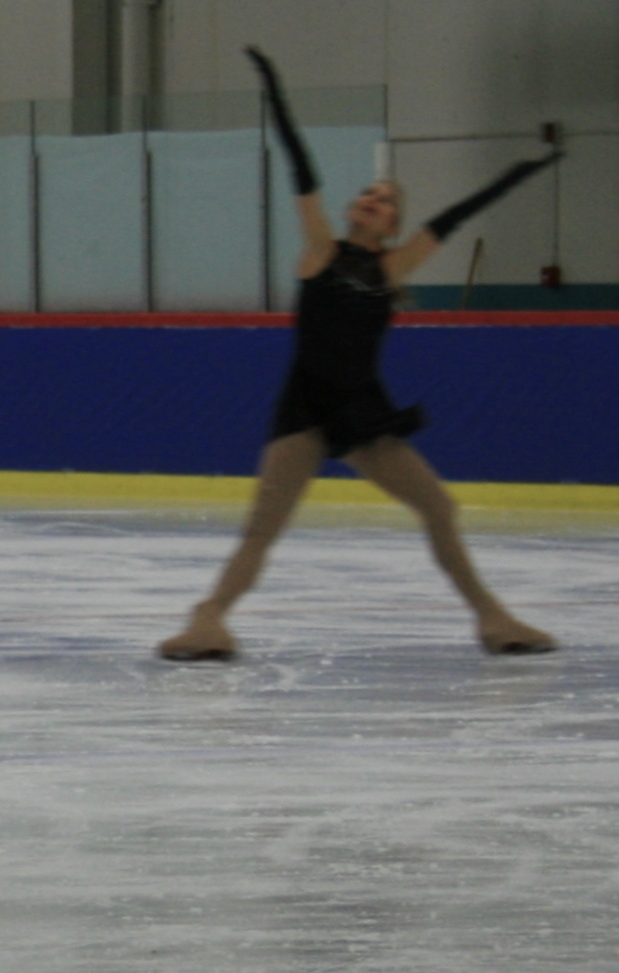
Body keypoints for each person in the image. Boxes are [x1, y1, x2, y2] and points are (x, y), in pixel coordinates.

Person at [158, 46, 561, 662]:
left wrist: (526, 171)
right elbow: (301, 168)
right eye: (368, 193)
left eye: (387, 199)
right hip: (304, 411)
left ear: (395, 223)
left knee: (438, 507)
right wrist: (277, 92)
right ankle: (208, 621)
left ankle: (492, 618)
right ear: (353, 210)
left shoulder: (393, 266)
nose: (374, 199)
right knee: (263, 530)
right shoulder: (321, 250)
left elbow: (458, 215)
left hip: (364, 415)